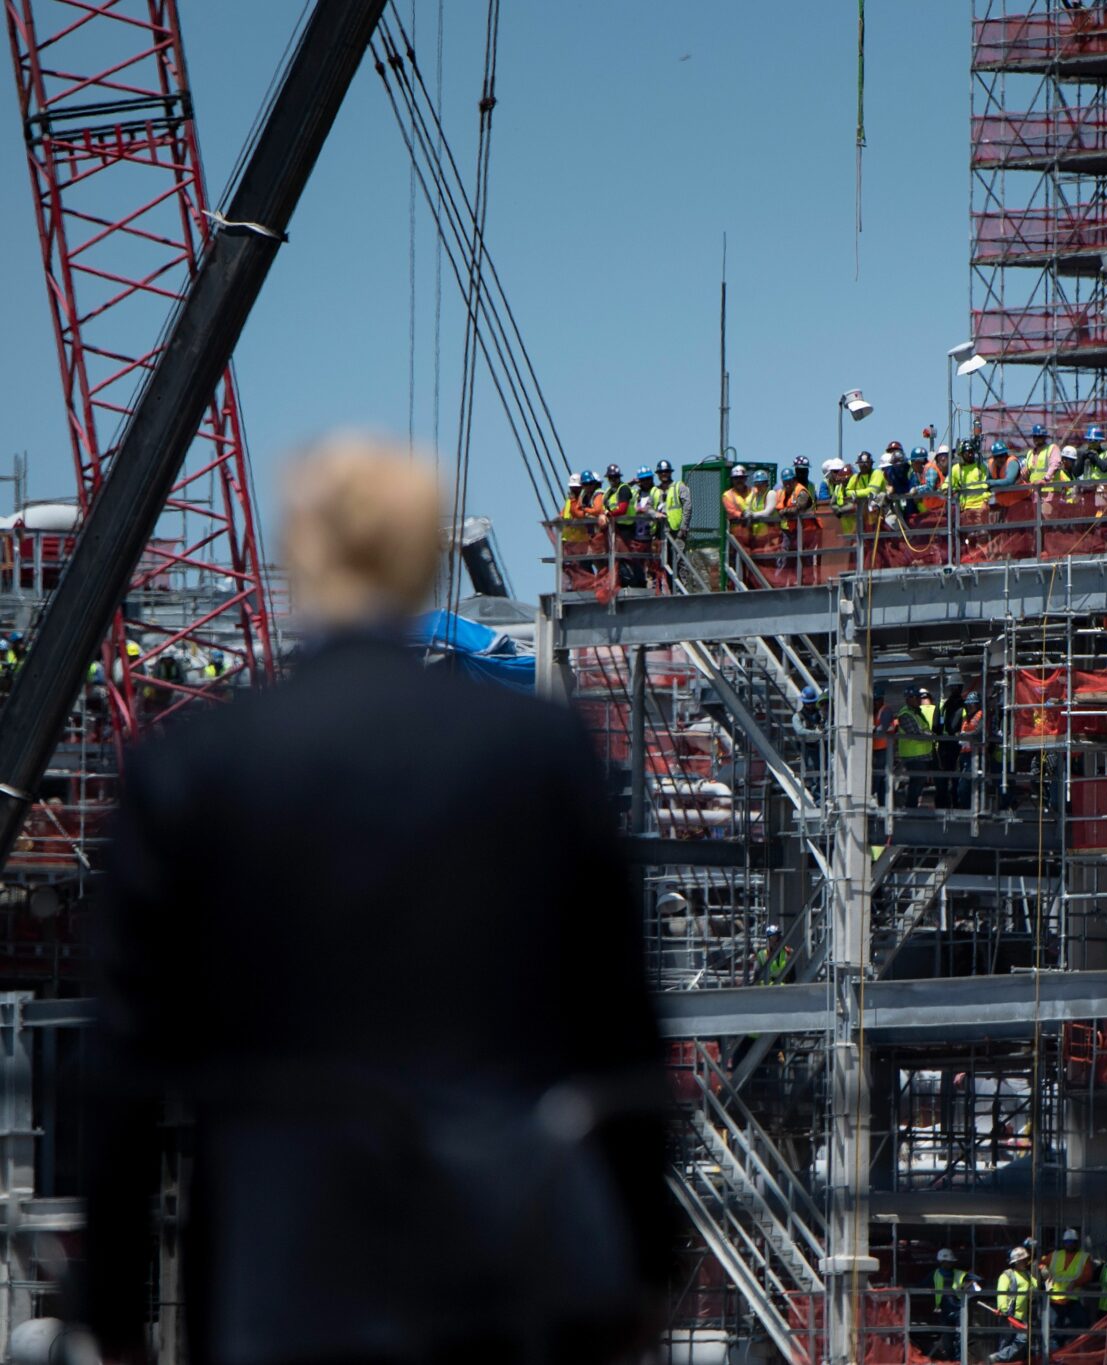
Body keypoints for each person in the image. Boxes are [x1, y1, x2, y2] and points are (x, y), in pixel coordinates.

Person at [84, 434, 670, 1365]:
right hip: (501, 1260)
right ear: (420, 559)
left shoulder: (192, 768)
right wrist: (647, 1261)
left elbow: (121, 1063)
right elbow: (621, 1031)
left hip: (285, 1276)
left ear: (305, 556)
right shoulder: (539, 749)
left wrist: (111, 1308)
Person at [925, 1247, 980, 1361]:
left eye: (951, 1262)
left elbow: (978, 1280)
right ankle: (952, 1360)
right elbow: (920, 1286)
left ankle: (960, 1360)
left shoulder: (959, 1274)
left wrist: (968, 1284)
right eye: (947, 1262)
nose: (949, 1264)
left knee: (961, 1338)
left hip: (959, 1310)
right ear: (941, 1262)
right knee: (947, 1340)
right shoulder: (934, 1275)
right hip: (943, 1311)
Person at [892, 687, 939, 809]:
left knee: (919, 782)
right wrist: (930, 735)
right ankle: (910, 807)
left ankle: (912, 807)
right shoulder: (905, 714)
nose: (919, 699)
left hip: (922, 755)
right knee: (916, 783)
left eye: (919, 697)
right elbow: (916, 733)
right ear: (909, 699)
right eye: (916, 697)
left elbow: (923, 730)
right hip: (913, 756)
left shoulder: (916, 712)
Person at [990, 1246, 1037, 1363]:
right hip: (1009, 1316)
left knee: (1022, 1340)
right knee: (1006, 1341)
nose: (1026, 1262)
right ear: (1016, 1262)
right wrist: (1004, 1310)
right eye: (1023, 1260)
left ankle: (998, 1358)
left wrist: (1041, 1274)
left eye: (1026, 1260)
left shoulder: (1027, 1275)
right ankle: (999, 1360)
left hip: (1022, 1317)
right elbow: (1001, 1293)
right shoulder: (1007, 1275)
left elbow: (1035, 1287)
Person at [1044, 1228, 1095, 1332]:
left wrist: (1076, 1283)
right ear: (1063, 1243)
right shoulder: (1055, 1255)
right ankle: (1058, 1347)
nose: (1069, 1244)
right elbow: (1041, 1263)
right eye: (1067, 1242)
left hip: (1072, 1299)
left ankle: (1071, 1346)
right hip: (1055, 1300)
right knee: (1055, 1329)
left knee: (1081, 1325)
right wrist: (1043, 1269)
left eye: (1072, 1242)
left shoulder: (1084, 1257)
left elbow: (1088, 1275)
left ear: (1077, 1243)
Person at [935, 684, 968, 812]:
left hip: (948, 746)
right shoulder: (961, 706)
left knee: (947, 778)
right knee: (953, 778)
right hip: (952, 747)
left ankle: (946, 805)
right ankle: (953, 804)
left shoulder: (944, 705)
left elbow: (936, 725)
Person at [792, 685, 826, 790]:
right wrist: (815, 733)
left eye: (812, 703)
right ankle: (816, 796)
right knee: (813, 773)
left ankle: (821, 792)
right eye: (808, 703)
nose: (810, 705)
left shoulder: (820, 714)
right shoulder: (797, 717)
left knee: (824, 771)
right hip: (807, 749)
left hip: (821, 747)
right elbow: (800, 731)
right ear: (804, 702)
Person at [655, 459, 692, 543]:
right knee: (663, 555)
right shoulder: (656, 490)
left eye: (666, 471)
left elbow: (687, 507)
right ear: (658, 474)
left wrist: (683, 527)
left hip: (677, 532)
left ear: (670, 472)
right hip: (660, 533)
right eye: (661, 472)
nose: (664, 474)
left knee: (677, 555)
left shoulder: (679, 486)